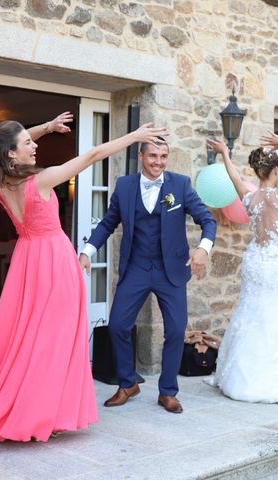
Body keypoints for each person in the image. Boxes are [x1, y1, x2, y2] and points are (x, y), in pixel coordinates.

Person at [0, 116, 168, 443]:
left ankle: (37, 408)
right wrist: (133, 136)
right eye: (27, 144)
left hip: (27, 262)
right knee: (53, 341)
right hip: (54, 262)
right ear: (11, 154)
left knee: (29, 338)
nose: (34, 146)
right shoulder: (42, 180)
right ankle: (42, 413)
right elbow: (90, 156)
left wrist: (44, 128)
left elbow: (4, 143)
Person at [79, 137, 217, 414]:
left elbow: (207, 220)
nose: (158, 162)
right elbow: (108, 222)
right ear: (141, 156)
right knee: (118, 325)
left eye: (163, 156)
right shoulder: (126, 186)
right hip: (137, 267)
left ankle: (167, 391)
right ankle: (128, 383)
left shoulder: (179, 184)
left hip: (171, 271)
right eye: (153, 156)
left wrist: (203, 249)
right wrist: (87, 252)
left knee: (176, 331)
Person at [205, 133, 278, 405]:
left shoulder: (249, 196)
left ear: (256, 171)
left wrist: (224, 153)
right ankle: (267, 378)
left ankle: (237, 376)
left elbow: (233, 177)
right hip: (274, 264)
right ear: (276, 170)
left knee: (249, 311)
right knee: (273, 317)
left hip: (255, 261)